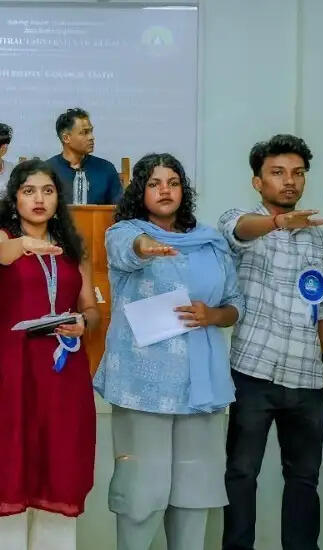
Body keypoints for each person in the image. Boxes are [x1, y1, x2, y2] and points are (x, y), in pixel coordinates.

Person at [95, 153, 242, 550]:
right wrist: (149, 246)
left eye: (173, 182)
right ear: (141, 191)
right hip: (144, 386)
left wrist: (213, 315)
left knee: (195, 494)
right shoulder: (125, 232)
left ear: (184, 190)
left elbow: (234, 304)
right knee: (142, 493)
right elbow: (129, 248)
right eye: (155, 183)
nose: (165, 190)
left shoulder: (210, 241)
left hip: (202, 387)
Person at [219, 134, 323, 550]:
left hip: (307, 376)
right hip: (254, 372)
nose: (289, 181)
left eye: (297, 173)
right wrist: (279, 223)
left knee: (305, 479)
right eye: (278, 173)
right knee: (241, 475)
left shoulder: (318, 236)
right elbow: (238, 230)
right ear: (257, 181)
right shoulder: (241, 220)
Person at [0, 158, 99, 550]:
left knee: (59, 461)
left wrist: (83, 321)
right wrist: (25, 244)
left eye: (47, 191)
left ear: (58, 198)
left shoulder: (73, 247)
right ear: (14, 198)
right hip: (14, 366)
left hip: (63, 367)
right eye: (29, 191)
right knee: (9, 461)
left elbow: (92, 310)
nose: (39, 199)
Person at [47, 108, 121, 205]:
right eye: (84, 132)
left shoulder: (106, 169)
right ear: (66, 138)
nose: (91, 137)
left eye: (91, 131)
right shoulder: (47, 170)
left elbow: (120, 210)